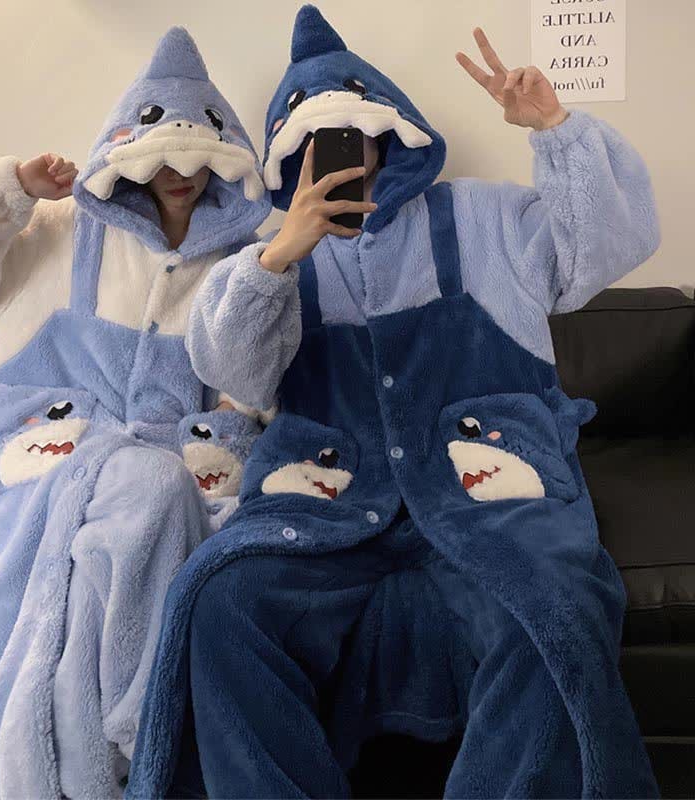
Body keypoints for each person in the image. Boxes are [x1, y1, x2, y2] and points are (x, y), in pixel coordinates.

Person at [127, 6, 661, 799]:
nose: (339, 152)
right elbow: (236, 373)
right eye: (314, 140)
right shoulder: (271, 256)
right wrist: (278, 259)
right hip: (329, 499)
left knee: (553, 608)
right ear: (289, 156)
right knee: (217, 599)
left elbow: (602, 250)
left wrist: (556, 132)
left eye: (352, 133)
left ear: (389, 132)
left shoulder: (486, 217)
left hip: (487, 490)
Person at [0, 26, 269, 798]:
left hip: (151, 478)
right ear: (128, 153)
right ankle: (125, 745)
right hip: (40, 448)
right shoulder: (59, 232)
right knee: (142, 498)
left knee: (125, 541)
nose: (181, 173)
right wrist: (11, 186)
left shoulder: (237, 265)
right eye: (163, 156)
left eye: (198, 158)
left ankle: (98, 763)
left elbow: (247, 392)